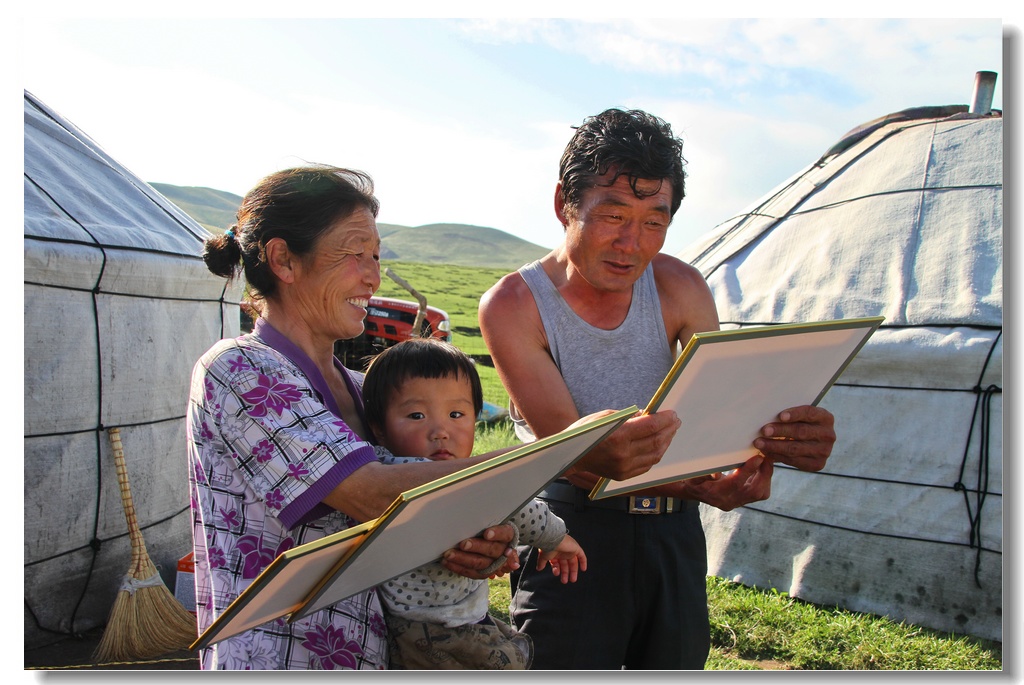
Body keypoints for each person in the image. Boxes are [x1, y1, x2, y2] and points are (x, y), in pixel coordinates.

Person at [478, 108, 838, 670]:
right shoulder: (514, 305)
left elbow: (717, 412)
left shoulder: (679, 284)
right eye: (613, 215)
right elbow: (574, 458)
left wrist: (784, 439)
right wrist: (699, 484)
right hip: (571, 538)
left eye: (654, 221)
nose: (631, 243)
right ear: (563, 206)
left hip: (674, 534)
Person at [188, 165, 520, 670]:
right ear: (283, 260)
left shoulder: (366, 390)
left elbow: (419, 510)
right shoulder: (239, 369)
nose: (373, 275)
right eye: (354, 254)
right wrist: (552, 458)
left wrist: (477, 541)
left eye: (377, 257)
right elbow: (373, 492)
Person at [361, 337, 587, 669]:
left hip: (447, 619)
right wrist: (556, 536)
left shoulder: (382, 466)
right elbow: (516, 502)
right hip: (433, 629)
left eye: (456, 413)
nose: (440, 431)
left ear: (476, 418)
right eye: (416, 415)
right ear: (378, 428)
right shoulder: (400, 475)